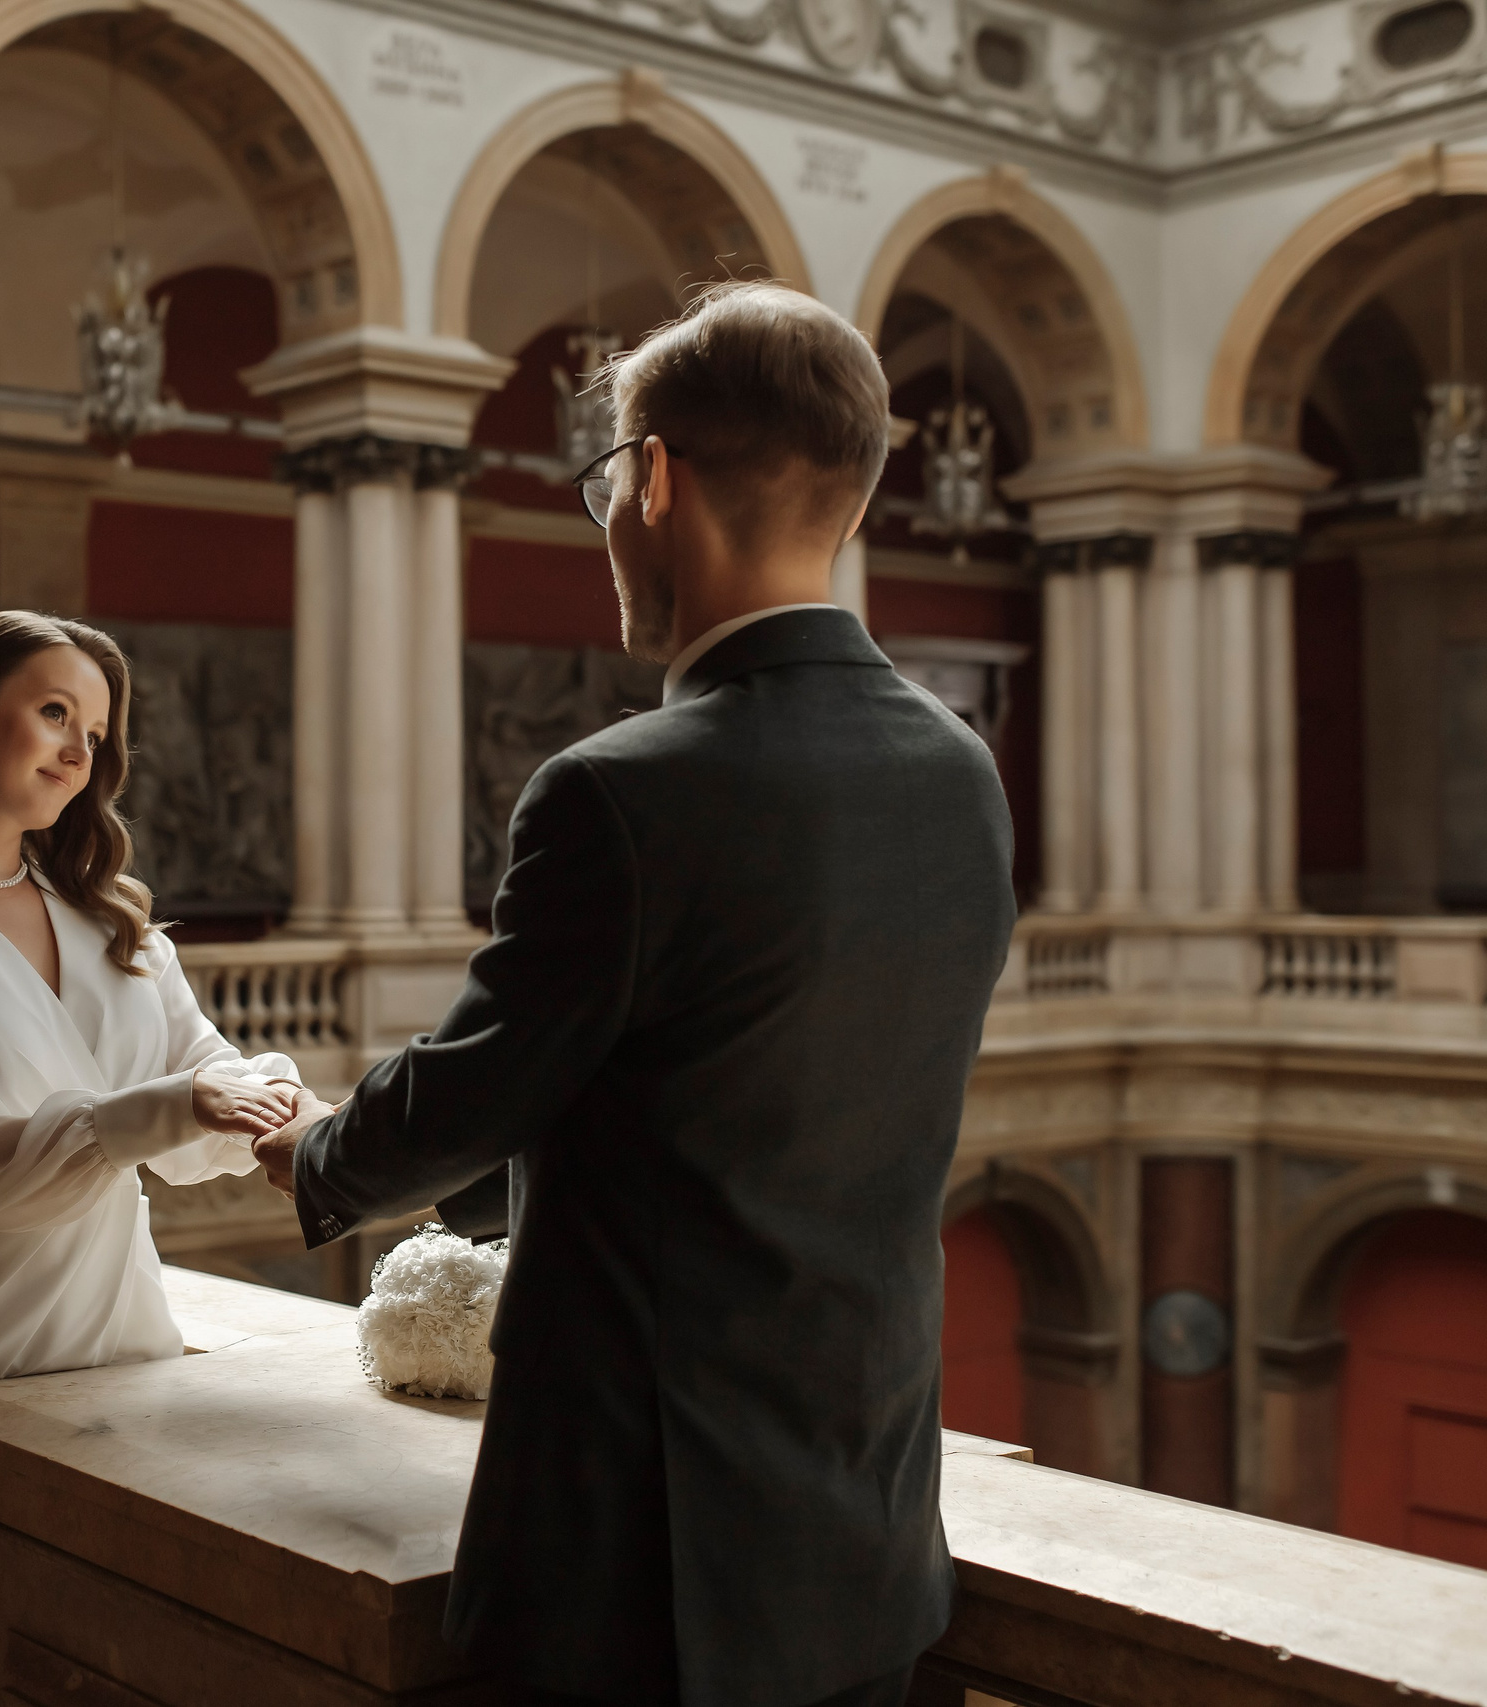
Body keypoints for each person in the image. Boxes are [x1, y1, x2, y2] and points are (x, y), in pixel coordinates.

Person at [251, 281, 1017, 1707]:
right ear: (851, 501)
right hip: (867, 1538)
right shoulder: (958, 769)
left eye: (607, 477)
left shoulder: (617, 790)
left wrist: (320, 1147)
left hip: (639, 1573)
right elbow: (718, 1093)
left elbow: (487, 1079)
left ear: (653, 476)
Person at [0, 610, 307, 1707]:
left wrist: (296, 1113)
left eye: (97, 732)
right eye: (54, 713)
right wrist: (171, 1106)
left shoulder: (119, 929)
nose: (80, 753)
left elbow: (201, 1103)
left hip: (121, 1345)